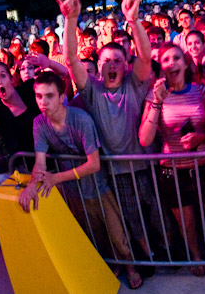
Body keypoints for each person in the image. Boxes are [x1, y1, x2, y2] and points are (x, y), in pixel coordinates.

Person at [58, 0, 167, 267]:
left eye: (117, 60)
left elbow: (146, 55)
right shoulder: (92, 90)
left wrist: (133, 21)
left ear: (126, 63)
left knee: (159, 213)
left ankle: (169, 251)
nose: (111, 65)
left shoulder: (135, 82)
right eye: (105, 60)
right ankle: (151, 258)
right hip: (117, 171)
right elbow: (70, 60)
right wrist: (71, 20)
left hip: (147, 165)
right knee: (133, 219)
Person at [18, 71, 142, 290]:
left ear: (61, 96)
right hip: (74, 191)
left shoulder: (80, 119)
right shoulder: (39, 123)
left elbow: (94, 163)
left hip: (98, 187)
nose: (43, 102)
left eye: (49, 96)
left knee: (116, 232)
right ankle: (113, 266)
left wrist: (56, 178)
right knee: (94, 235)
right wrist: (30, 186)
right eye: (38, 96)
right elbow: (40, 162)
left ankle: (131, 268)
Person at [138, 43, 205, 277]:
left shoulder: (200, 91)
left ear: (186, 63)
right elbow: (145, 139)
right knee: (187, 225)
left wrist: (201, 137)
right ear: (162, 67)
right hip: (173, 173)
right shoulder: (154, 95)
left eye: (176, 58)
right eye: (165, 60)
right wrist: (156, 102)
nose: (171, 63)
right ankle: (196, 258)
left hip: (204, 168)